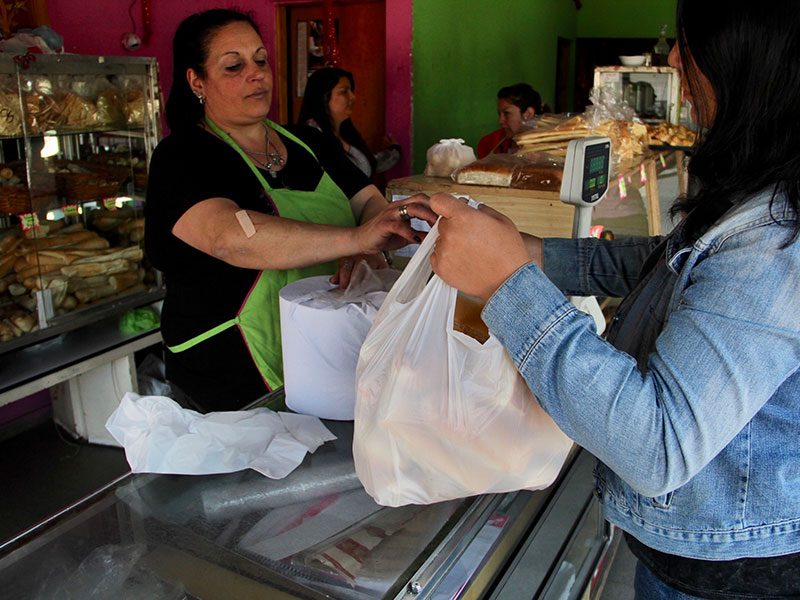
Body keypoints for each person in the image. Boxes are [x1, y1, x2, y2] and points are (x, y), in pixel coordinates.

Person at [429, 1, 800, 598]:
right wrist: (534, 253)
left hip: (727, 577)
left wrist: (507, 283)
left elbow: (656, 445)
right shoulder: (762, 190)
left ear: (748, 58)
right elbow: (675, 264)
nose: (674, 57)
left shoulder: (774, 242)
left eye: (689, 41)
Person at [144, 9, 432, 413]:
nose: (257, 74)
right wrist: (354, 238)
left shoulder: (309, 143)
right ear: (197, 81)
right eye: (234, 66)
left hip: (329, 350)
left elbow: (368, 200)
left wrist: (369, 244)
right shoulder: (183, 155)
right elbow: (230, 238)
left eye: (261, 60)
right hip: (230, 373)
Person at [295, 67, 401, 180]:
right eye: (344, 91)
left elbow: (366, 165)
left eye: (351, 90)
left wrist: (395, 151)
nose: (352, 97)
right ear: (323, 96)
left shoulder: (344, 133)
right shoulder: (312, 135)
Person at [476, 83, 547, 159]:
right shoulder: (490, 143)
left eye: (507, 113)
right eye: (499, 114)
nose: (500, 121)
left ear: (528, 114)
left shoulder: (549, 148)